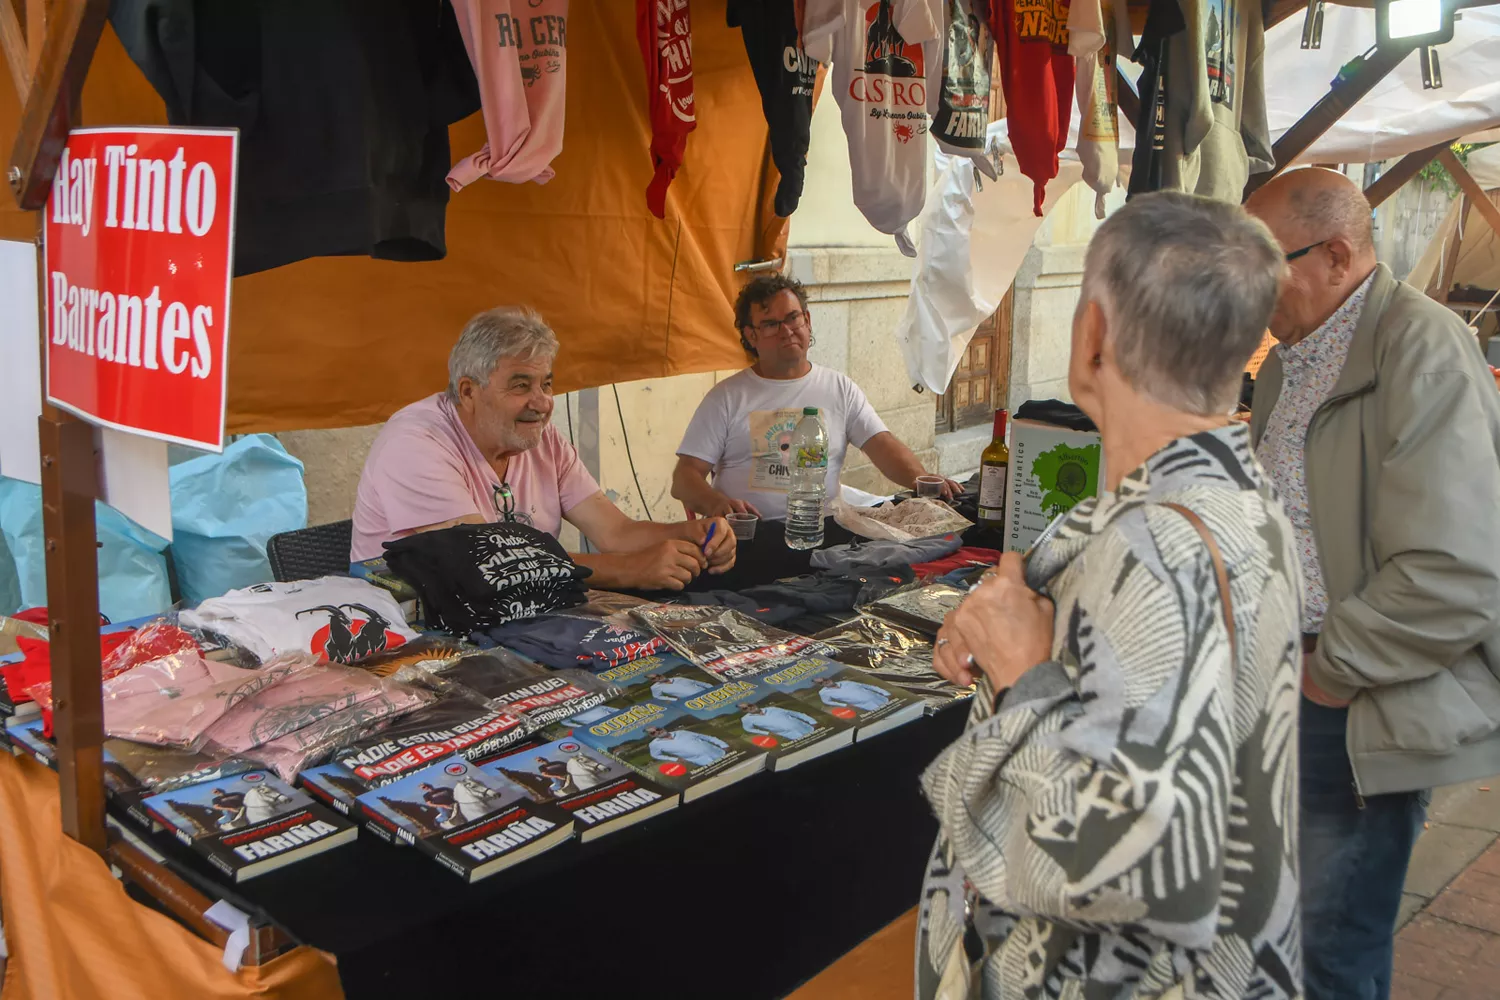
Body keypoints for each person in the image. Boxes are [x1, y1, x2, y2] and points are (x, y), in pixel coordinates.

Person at [920, 192, 1302, 998]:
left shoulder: (1157, 540)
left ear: (1092, 335)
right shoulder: (1230, 495)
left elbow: (1143, 867)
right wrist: (1003, 643)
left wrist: (1026, 680)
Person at [1246, 167, 1500, 1000]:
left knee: (1330, 952)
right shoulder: (1290, 361)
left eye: (1261, 260)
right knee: (1270, 943)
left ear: (1337, 254)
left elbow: (1456, 571)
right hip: (1288, 686)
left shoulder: (1421, 347)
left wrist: (1330, 669)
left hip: (1348, 698)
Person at [352, 307, 736, 591]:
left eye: (546, 384)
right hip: (410, 629)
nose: (541, 402)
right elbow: (487, 561)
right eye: (520, 386)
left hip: (516, 609)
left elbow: (615, 532)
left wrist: (693, 533)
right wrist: (628, 570)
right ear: (469, 391)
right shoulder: (416, 442)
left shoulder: (540, 438)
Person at [672, 274, 958, 519]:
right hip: (749, 540)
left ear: (807, 321)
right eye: (770, 324)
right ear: (751, 336)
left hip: (822, 535)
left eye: (792, 318)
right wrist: (717, 504)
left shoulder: (839, 388)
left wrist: (921, 480)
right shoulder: (726, 397)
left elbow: (881, 445)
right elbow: (684, 479)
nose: (786, 331)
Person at [645, 725, 727, 767]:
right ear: (651, 736)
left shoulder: (682, 732)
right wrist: (675, 759)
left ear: (662, 728)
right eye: (653, 732)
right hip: (704, 764)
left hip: (721, 754)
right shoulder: (654, 745)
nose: (658, 732)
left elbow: (706, 737)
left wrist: (724, 745)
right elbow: (655, 755)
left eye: (658, 729)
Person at [739, 702, 816, 740]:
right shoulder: (746, 719)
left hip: (809, 729)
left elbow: (795, 713)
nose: (750, 708)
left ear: (754, 704)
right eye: (745, 708)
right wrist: (766, 733)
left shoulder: (772, 709)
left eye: (750, 705)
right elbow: (748, 729)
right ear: (744, 711)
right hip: (792, 738)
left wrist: (813, 722)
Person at [815, 676, 890, 713]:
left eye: (825, 679)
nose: (825, 682)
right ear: (820, 685)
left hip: (883, 699)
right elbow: (827, 702)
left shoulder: (846, 682)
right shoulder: (823, 693)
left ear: (829, 679)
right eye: (821, 682)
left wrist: (886, 693)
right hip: (869, 707)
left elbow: (867, 686)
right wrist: (844, 705)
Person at [647, 672, 715, 702]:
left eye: (658, 675)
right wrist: (674, 699)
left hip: (707, 693)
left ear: (661, 674)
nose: (658, 678)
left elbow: (699, 683)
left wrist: (713, 688)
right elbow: (657, 696)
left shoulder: (678, 678)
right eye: (654, 678)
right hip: (693, 701)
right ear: (652, 681)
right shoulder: (655, 687)